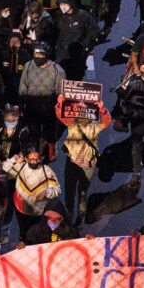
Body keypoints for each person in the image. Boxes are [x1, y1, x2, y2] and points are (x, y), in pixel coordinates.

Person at [55, 95, 111, 225]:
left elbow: (107, 121)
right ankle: (69, 214)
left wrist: (102, 110)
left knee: (82, 191)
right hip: (72, 162)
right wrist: (60, 104)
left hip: (88, 165)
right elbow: (60, 115)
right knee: (69, 190)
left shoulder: (94, 127)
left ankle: (80, 215)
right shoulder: (72, 124)